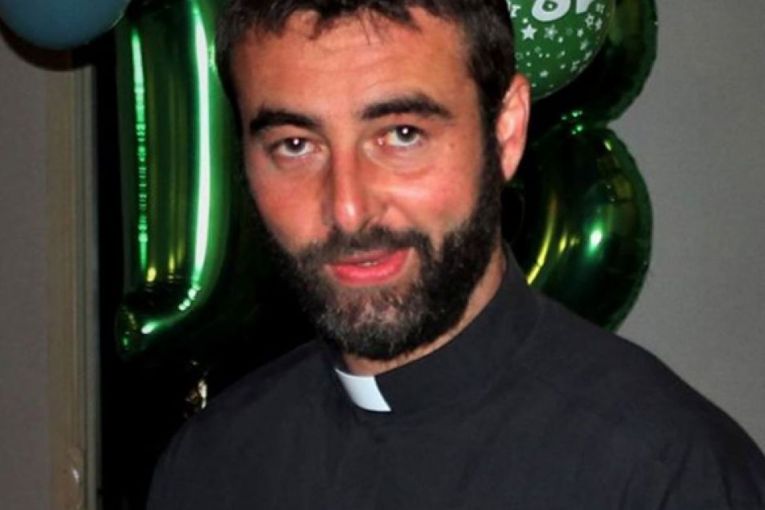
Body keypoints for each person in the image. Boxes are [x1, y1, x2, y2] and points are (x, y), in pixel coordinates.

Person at [147, 0, 765, 508]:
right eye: (295, 145)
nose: (348, 209)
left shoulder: (666, 474)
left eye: (402, 135)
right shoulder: (211, 464)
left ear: (505, 132)